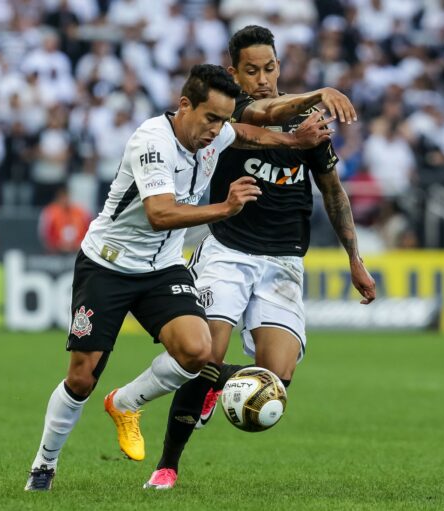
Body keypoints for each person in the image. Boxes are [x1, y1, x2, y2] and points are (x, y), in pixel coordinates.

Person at [25, 63, 344, 491]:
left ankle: (125, 403)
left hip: (162, 267)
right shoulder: (152, 142)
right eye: (211, 118)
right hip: (109, 264)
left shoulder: (217, 132)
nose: (217, 130)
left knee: (198, 352)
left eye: (222, 120)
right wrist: (225, 208)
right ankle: (44, 465)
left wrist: (293, 140)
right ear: (184, 106)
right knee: (81, 377)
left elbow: (248, 133)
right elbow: (159, 214)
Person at [143, 26, 376, 490]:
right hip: (227, 251)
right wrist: (321, 92)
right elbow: (268, 110)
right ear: (235, 73)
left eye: (270, 68)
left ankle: (216, 386)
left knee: (276, 378)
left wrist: (355, 257)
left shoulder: (305, 122)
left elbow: (332, 191)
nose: (264, 78)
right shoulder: (229, 116)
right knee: (205, 354)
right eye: (252, 70)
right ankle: (167, 466)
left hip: (284, 261)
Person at [38, 186, 90, 253]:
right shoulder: (50, 212)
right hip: (56, 252)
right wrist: (57, 245)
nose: (65, 200)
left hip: (78, 250)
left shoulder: (81, 212)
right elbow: (44, 235)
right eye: (62, 198)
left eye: (66, 197)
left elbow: (88, 231)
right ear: (57, 198)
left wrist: (79, 244)